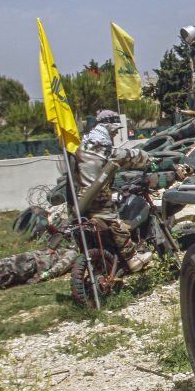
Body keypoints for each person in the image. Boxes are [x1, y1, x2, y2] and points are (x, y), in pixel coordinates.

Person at [74, 109, 153, 271]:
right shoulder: (102, 146)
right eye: (116, 130)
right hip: (97, 196)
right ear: (108, 127)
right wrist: (147, 158)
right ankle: (132, 259)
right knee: (116, 224)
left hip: (80, 197)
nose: (116, 133)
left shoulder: (85, 144)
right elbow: (127, 156)